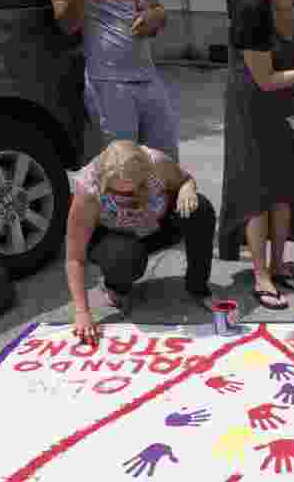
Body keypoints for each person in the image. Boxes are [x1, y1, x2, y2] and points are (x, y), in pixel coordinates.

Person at [220, 0, 294, 310]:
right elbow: (265, 79)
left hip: (283, 104)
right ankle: (260, 274)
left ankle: (280, 265)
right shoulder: (251, 9)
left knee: (284, 184)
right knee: (257, 189)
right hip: (248, 106)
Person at [66, 140, 217, 346]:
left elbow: (185, 180)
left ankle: (197, 286)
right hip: (114, 239)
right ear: (104, 183)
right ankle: (115, 287)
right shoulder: (88, 190)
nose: (133, 196)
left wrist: (186, 190)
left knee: (200, 209)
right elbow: (74, 257)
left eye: (141, 186)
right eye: (123, 194)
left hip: (153, 226)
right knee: (125, 256)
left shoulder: (157, 162)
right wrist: (82, 312)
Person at [65, 0, 179, 161]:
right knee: (122, 171)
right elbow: (67, 24)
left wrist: (155, 17)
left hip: (148, 79)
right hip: (108, 83)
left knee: (166, 167)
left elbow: (158, 8)